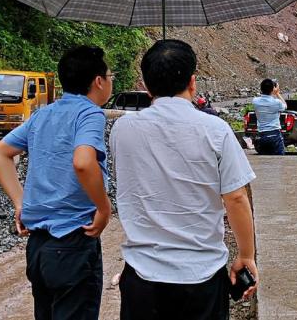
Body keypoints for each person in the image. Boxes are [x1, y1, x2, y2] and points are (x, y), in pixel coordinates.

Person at [110, 40, 258, 320]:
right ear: (193, 82)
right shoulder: (215, 130)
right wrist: (246, 255)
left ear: (145, 83)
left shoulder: (122, 129)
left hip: (143, 276)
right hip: (200, 275)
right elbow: (236, 197)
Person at [0, 45, 113, 320]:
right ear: (98, 81)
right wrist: (104, 209)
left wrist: (20, 203)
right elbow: (83, 162)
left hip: (39, 248)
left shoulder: (42, 115)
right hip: (73, 241)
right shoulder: (89, 114)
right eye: (110, 75)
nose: (110, 81)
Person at [252, 78, 286, 155]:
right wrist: (277, 93)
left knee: (265, 162)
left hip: (261, 136)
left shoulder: (255, 101)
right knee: (280, 161)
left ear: (261, 89)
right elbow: (285, 106)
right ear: (273, 89)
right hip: (275, 135)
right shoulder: (276, 102)